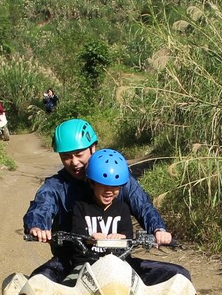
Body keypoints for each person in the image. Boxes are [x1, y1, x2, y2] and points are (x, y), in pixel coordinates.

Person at [23, 118, 188, 284]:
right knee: (37, 283)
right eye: (66, 157)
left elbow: (143, 206)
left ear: (93, 148)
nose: (74, 162)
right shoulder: (56, 186)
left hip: (119, 261)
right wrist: (38, 226)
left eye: (80, 154)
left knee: (179, 276)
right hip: (72, 261)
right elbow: (41, 207)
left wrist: (158, 229)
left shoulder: (118, 179)